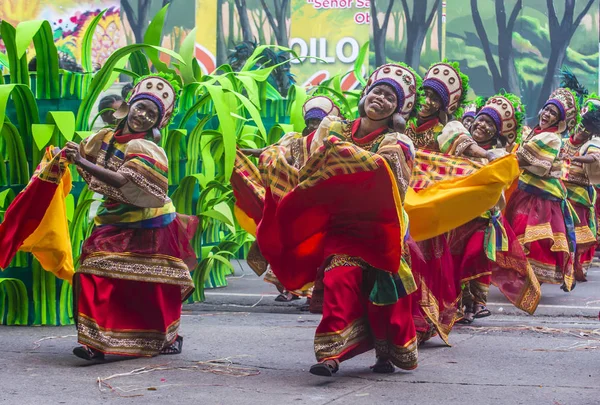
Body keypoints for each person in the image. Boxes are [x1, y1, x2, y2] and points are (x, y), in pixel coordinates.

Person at [258, 63, 422, 376]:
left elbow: (390, 179)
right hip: (343, 226)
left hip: (381, 224)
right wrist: (275, 155)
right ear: (365, 95)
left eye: (390, 97)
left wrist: (344, 155)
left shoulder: (397, 141)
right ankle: (330, 355)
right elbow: (307, 156)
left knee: (382, 297)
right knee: (339, 280)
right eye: (378, 91)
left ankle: (384, 354)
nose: (381, 99)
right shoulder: (333, 128)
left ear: (398, 109)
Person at [66, 74, 198, 360]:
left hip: (152, 223)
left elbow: (121, 181)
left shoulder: (147, 146)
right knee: (92, 269)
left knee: (153, 285)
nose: (143, 116)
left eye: (152, 114)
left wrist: (82, 160)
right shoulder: (103, 138)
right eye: (141, 107)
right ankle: (94, 342)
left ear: (157, 121)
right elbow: (84, 159)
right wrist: (64, 155)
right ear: (129, 106)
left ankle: (166, 336)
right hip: (114, 219)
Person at [404, 61, 495, 345]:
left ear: (444, 106)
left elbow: (463, 144)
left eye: (435, 98)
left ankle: (418, 322)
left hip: (428, 205)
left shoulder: (446, 128)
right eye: (425, 93)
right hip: (396, 200)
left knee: (422, 262)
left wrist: (486, 155)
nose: (427, 101)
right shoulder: (400, 120)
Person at [449, 93, 541, 324]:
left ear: (496, 132)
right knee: (454, 260)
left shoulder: (500, 156)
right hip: (454, 215)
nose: (481, 125)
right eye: (480, 119)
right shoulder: (458, 143)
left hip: (482, 217)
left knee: (474, 257)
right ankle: (458, 305)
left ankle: (475, 304)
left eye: (489, 123)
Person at [505, 88, 580, 292]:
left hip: (543, 197)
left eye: (553, 113)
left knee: (535, 238)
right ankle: (524, 276)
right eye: (546, 110)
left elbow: (529, 160)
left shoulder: (553, 138)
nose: (547, 115)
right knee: (517, 233)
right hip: (525, 191)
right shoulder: (533, 132)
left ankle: (533, 277)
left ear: (558, 121)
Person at [560, 95, 600, 282]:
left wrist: (574, 159)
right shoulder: (562, 142)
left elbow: (594, 158)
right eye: (581, 126)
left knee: (575, 235)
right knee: (560, 232)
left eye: (586, 130)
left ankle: (576, 266)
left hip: (579, 195)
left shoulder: (590, 145)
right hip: (560, 193)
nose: (581, 130)